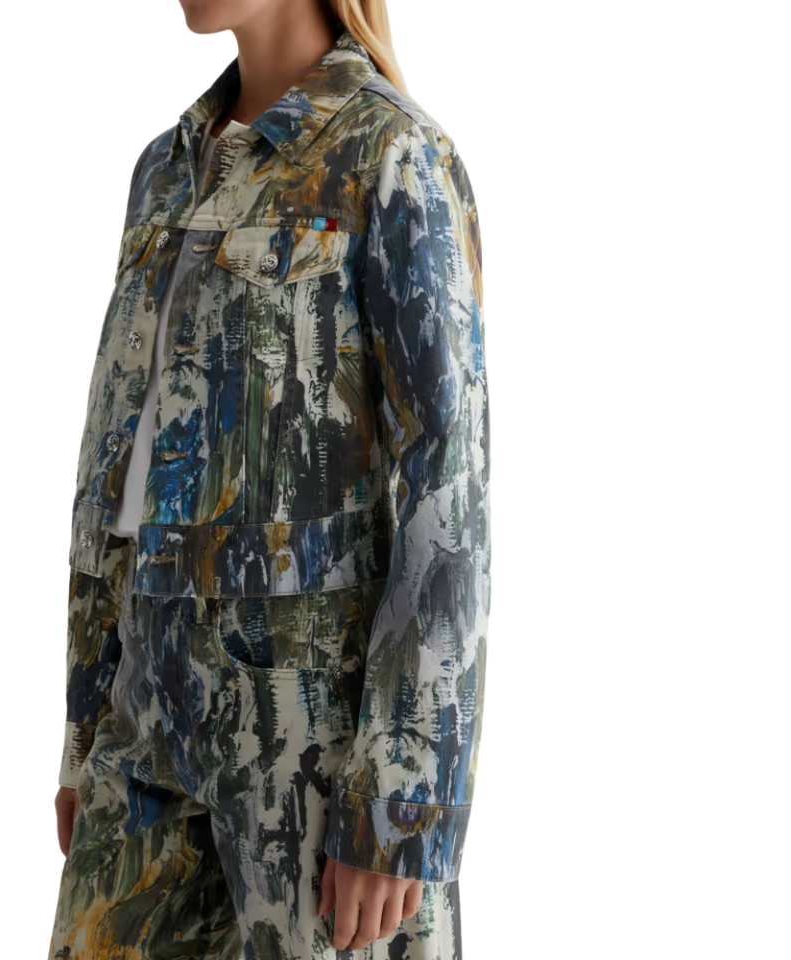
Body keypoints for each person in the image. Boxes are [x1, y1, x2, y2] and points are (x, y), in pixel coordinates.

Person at [50, 0, 491, 956]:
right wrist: (85, 730)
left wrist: (404, 800)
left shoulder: (389, 154)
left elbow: (445, 492)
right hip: (143, 705)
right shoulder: (166, 169)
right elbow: (111, 467)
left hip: (310, 740)